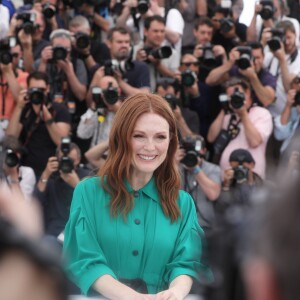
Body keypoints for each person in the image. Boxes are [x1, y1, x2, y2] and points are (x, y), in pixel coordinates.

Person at [63, 93, 209, 298]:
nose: (150, 147)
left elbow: (187, 262)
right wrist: (133, 298)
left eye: (160, 137)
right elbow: (84, 259)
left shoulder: (183, 203)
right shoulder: (88, 192)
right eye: (139, 135)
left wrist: (175, 293)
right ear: (122, 137)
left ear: (170, 142)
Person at [207, 77, 273, 179]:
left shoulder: (262, 113)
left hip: (251, 177)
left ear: (247, 92)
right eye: (231, 97)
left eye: (237, 95)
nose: (234, 98)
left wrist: (243, 114)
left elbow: (255, 142)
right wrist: (224, 109)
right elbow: (211, 138)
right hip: (227, 177)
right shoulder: (228, 116)